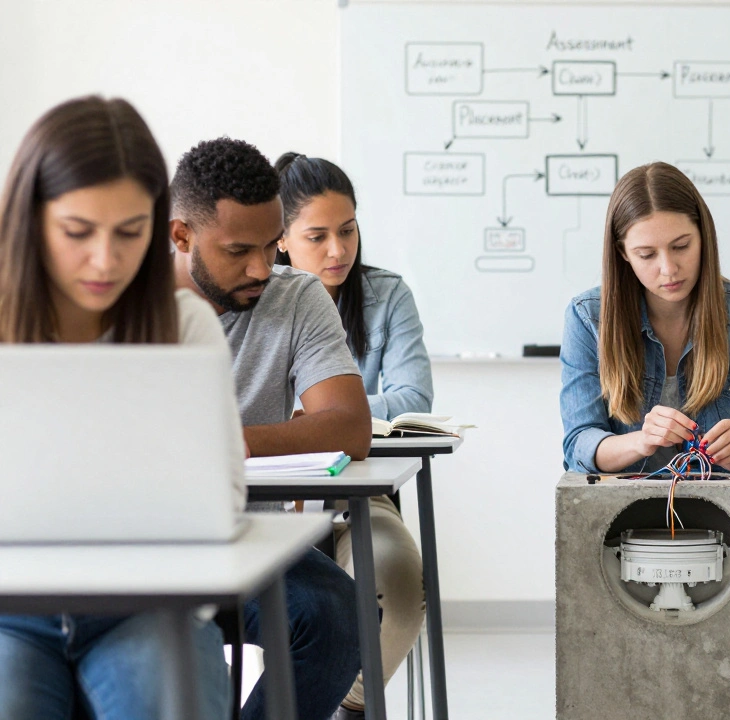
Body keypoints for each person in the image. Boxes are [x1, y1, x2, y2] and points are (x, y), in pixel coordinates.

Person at [0, 96, 234, 720]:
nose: (105, 260)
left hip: (147, 606)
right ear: (30, 221)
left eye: (130, 233)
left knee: (166, 696)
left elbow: (222, 496)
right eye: (78, 232)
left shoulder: (184, 326)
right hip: (8, 613)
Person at [170, 137, 369, 720]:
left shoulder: (296, 295)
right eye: (238, 251)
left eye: (268, 244)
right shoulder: (125, 303)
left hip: (250, 535)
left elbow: (350, 428)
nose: (261, 267)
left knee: (342, 613)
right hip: (147, 538)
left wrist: (224, 445)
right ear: (182, 237)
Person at [275, 152, 428, 720]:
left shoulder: (386, 296)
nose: (337, 250)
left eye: (348, 230)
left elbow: (414, 401)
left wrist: (315, 418)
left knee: (400, 587)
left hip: (357, 494)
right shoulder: (254, 300)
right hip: (267, 502)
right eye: (317, 236)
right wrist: (327, 418)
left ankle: (353, 705)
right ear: (283, 239)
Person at [561, 161, 730, 475]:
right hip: (617, 506)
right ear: (623, 253)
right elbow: (579, 444)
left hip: (718, 506)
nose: (668, 268)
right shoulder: (587, 317)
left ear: (703, 236)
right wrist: (641, 441)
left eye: (681, 246)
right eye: (647, 254)